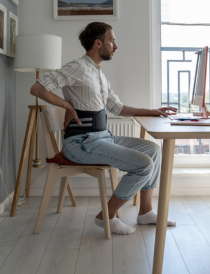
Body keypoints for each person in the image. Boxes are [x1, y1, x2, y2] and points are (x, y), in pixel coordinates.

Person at [30, 22, 177, 235]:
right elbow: (37, 87)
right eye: (112, 40)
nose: (115, 46)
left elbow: (117, 107)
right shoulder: (78, 67)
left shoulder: (98, 73)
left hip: (102, 137)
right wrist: (67, 105)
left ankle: (145, 213)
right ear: (98, 43)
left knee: (153, 150)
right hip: (81, 142)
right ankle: (105, 216)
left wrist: (151, 110)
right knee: (143, 165)